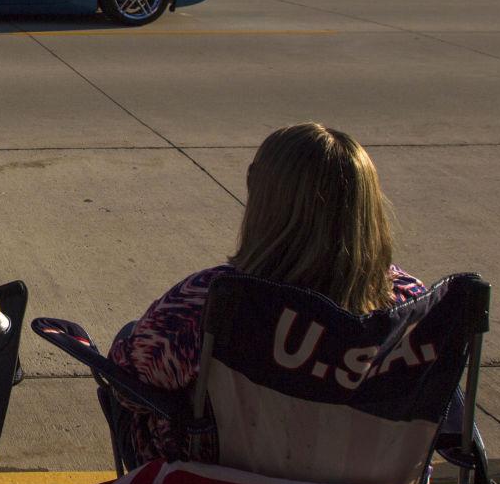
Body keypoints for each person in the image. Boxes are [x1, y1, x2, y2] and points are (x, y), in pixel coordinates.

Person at [108, 123, 427, 463]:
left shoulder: (210, 301)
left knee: (129, 357)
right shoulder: (413, 308)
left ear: (263, 200)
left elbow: (129, 384)